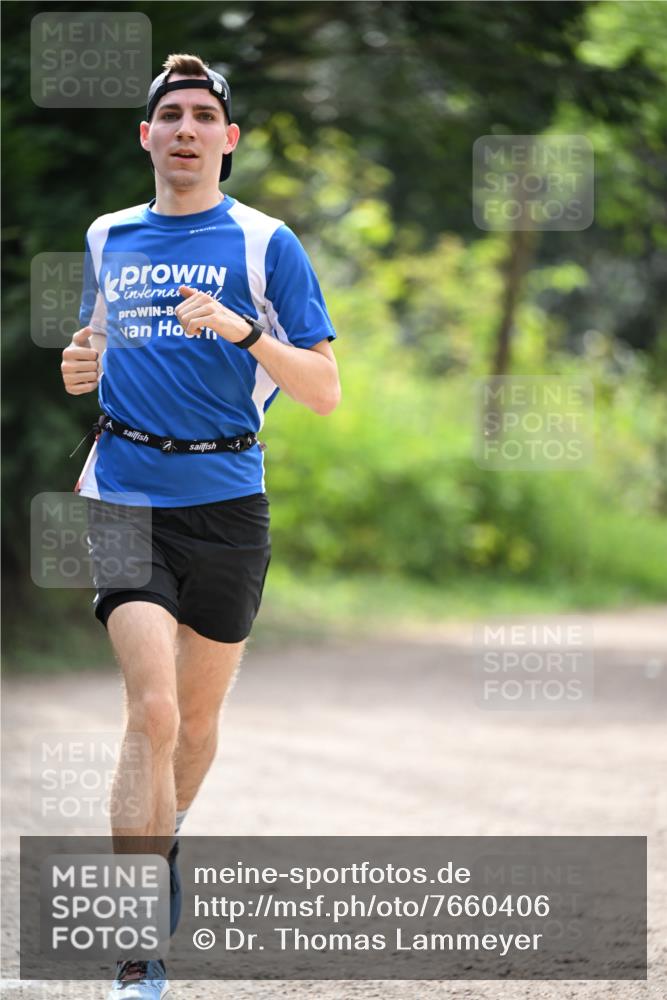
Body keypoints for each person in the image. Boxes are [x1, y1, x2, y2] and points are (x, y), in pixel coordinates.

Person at [60, 52, 340, 999]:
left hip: (227, 501)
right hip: (124, 491)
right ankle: (137, 950)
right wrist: (80, 362)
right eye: (170, 116)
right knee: (154, 710)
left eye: (202, 117)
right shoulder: (107, 235)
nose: (186, 129)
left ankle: (162, 839)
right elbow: (97, 343)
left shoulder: (266, 244)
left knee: (198, 721)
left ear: (228, 138)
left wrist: (244, 331)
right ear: (146, 136)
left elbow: (324, 390)